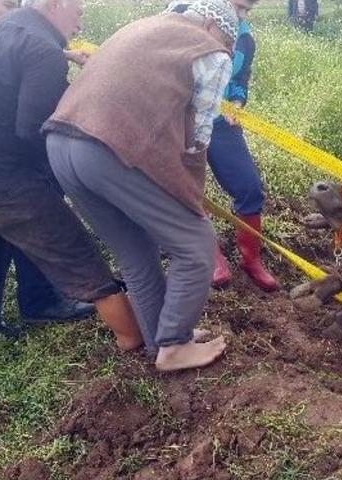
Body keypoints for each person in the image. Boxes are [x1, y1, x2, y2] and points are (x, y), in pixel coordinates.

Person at [0, 0, 143, 352]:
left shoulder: (0, 28)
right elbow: (33, 128)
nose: (81, 15)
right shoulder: (43, 49)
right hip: (5, 183)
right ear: (54, 4)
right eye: (77, 7)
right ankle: (135, 340)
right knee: (81, 260)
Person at [43, 0, 239, 371]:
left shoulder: (141, 27)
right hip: (106, 149)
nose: (228, 51)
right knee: (196, 244)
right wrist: (192, 199)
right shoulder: (211, 51)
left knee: (135, 252)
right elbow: (198, 138)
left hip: (61, 143)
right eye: (230, 42)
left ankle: (159, 341)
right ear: (217, 30)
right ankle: (174, 345)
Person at [168, 0, 279, 292]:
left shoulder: (245, 36)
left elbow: (241, 78)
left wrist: (238, 103)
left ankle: (251, 259)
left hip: (220, 122)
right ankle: (212, 256)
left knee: (249, 187)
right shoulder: (192, 12)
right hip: (182, 117)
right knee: (191, 187)